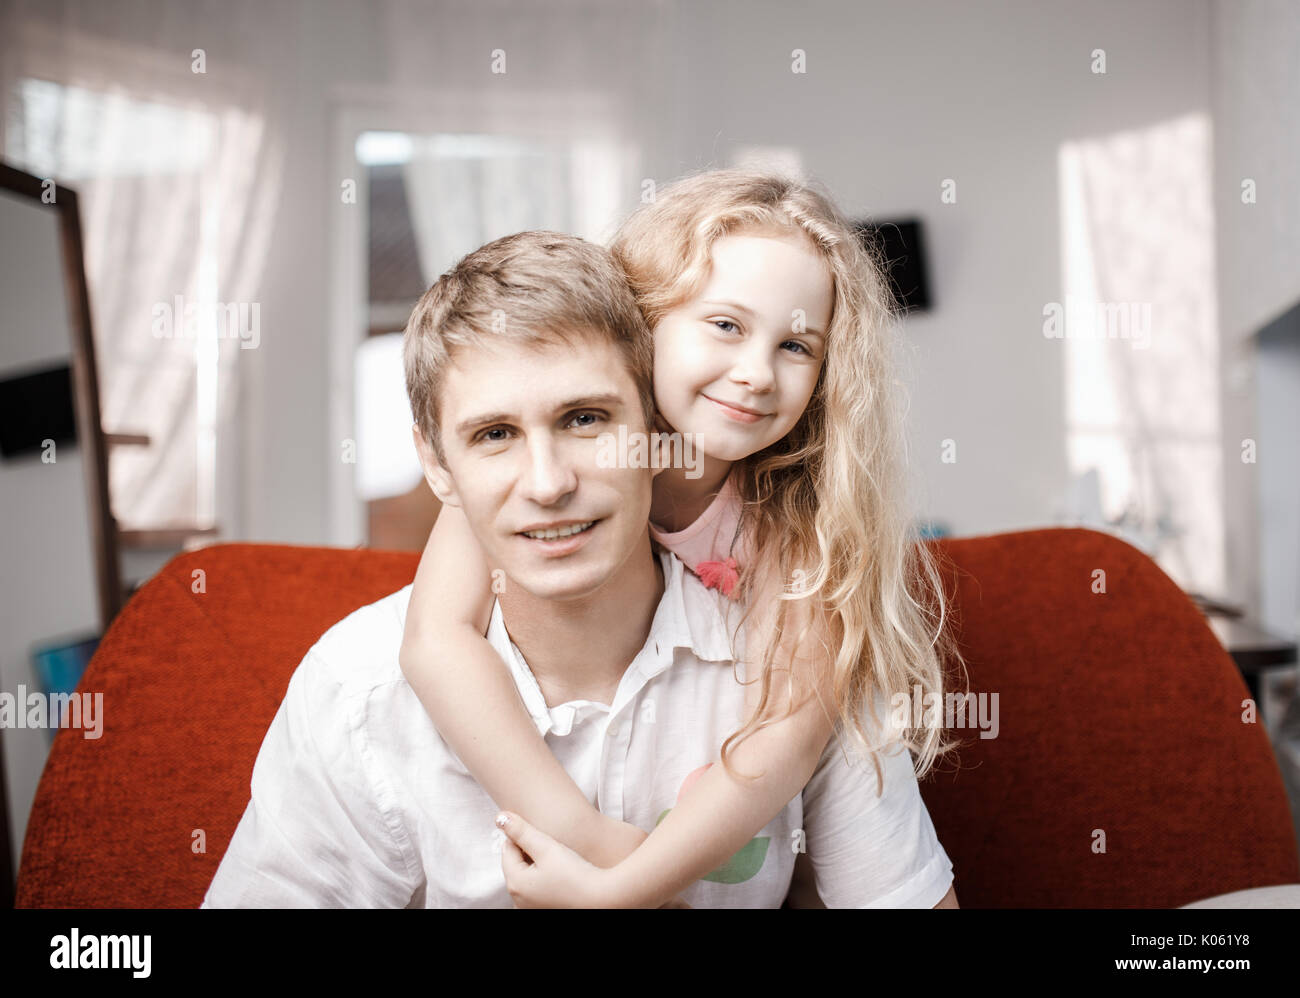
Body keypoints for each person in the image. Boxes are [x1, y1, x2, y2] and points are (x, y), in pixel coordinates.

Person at [201, 229, 957, 908]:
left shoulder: (797, 641)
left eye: (585, 419)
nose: (548, 482)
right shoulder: (359, 690)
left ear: (658, 425)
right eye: (494, 434)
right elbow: (433, 641)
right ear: (435, 463)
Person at [399, 170, 966, 907]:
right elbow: (434, 642)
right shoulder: (538, 475)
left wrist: (625, 888)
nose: (757, 373)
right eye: (726, 326)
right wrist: (591, 837)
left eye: (797, 346)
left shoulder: (790, 521)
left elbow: (784, 742)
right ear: (642, 325)